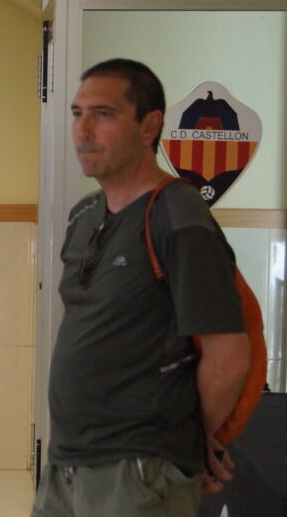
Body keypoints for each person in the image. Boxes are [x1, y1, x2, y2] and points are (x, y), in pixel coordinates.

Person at [31, 58, 251, 517]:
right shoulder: (84, 215)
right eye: (77, 114)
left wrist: (187, 440)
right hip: (67, 462)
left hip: (137, 471)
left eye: (103, 114)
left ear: (149, 126)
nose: (83, 130)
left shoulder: (179, 216)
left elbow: (228, 354)